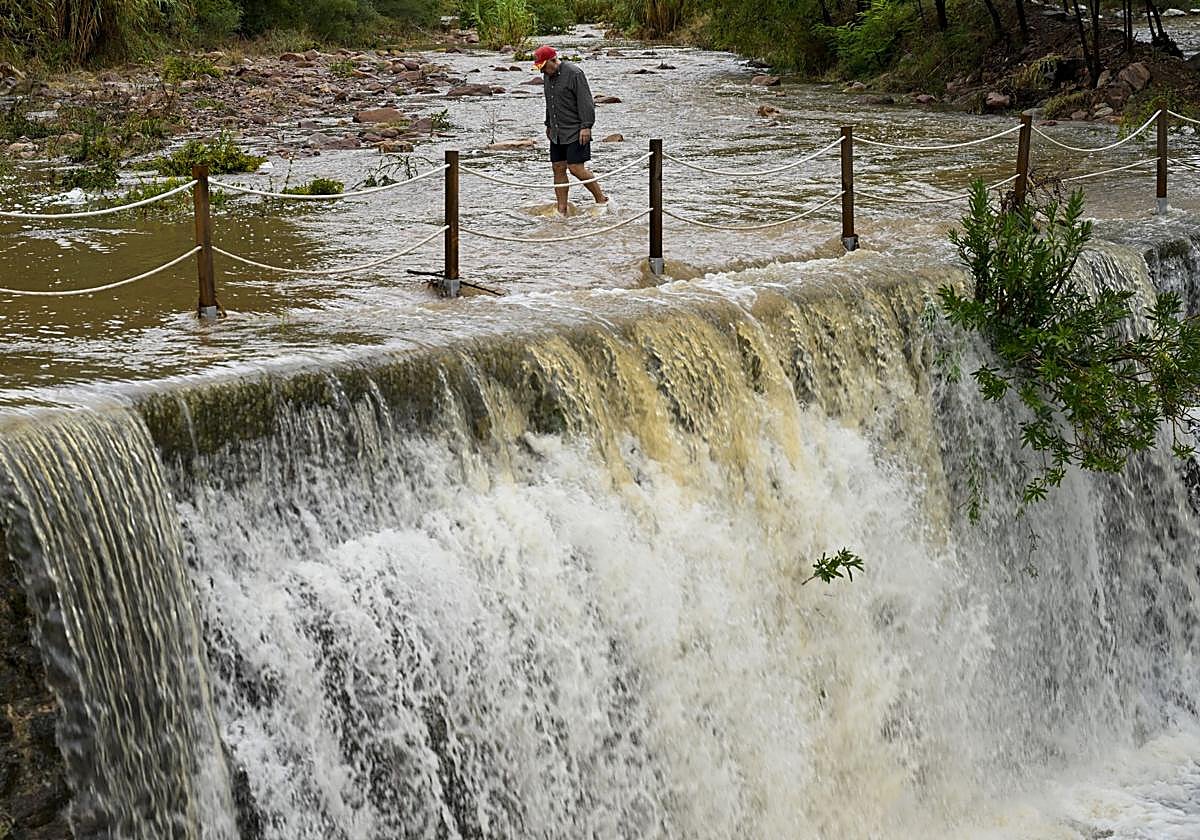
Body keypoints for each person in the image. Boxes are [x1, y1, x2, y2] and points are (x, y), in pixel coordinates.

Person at [533, 45, 609, 215]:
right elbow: (550, 102)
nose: (543, 71)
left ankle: (601, 199)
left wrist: (586, 126)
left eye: (544, 67)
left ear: (554, 60)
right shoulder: (547, 76)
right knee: (558, 168)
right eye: (541, 68)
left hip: (576, 130)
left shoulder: (574, 73)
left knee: (576, 168)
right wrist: (548, 124)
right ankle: (562, 209)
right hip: (556, 132)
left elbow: (586, 102)